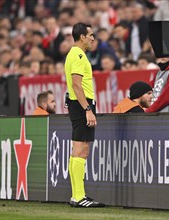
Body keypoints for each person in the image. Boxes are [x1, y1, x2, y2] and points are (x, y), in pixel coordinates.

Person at [64, 22, 105, 208]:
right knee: (82, 150)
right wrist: (88, 109)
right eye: (90, 35)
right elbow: (76, 84)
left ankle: (76, 195)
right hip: (82, 105)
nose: (93, 38)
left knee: (77, 151)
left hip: (77, 105)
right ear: (82, 37)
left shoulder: (73, 54)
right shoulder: (79, 55)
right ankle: (79, 196)